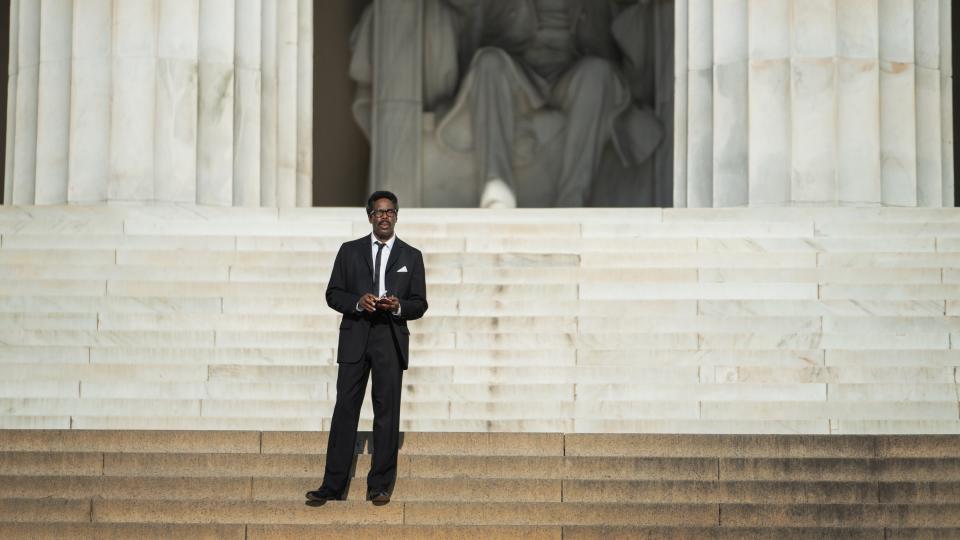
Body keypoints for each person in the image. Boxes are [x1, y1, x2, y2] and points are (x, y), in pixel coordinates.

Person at [349, 0, 662, 208]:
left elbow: (623, 27)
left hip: (571, 74)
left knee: (599, 73)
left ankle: (572, 198)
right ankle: (496, 184)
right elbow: (465, 19)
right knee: (488, 61)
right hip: (518, 75)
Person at [306, 191, 428, 504]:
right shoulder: (349, 251)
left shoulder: (411, 256)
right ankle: (332, 486)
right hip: (355, 337)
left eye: (389, 212)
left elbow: (420, 303)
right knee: (345, 410)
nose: (384, 217)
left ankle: (380, 486)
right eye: (378, 212)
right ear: (369, 216)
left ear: (396, 216)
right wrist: (358, 302)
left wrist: (399, 306)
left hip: (390, 338)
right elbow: (333, 294)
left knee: (387, 414)